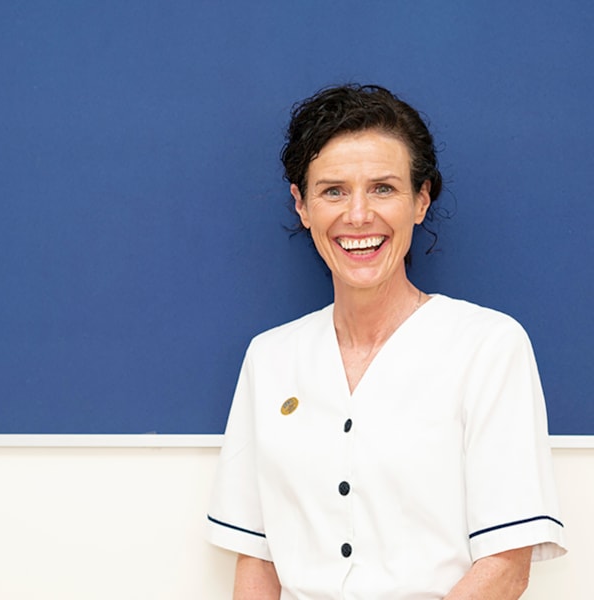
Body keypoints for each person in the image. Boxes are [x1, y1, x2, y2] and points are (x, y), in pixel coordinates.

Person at [207, 84, 566, 599]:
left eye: (382, 188)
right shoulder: (270, 358)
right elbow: (257, 561)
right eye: (333, 190)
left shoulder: (488, 346)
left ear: (421, 200)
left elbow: (506, 565)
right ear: (302, 205)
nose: (357, 216)